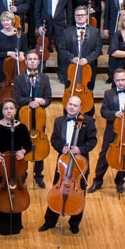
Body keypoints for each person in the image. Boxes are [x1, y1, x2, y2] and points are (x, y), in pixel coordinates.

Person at [38, 95, 98, 235]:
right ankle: (49, 221)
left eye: (75, 105)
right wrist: (61, 148)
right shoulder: (59, 121)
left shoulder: (89, 122)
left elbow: (92, 141)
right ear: (66, 105)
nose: (71, 107)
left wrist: (80, 149)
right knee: (56, 190)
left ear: (80, 108)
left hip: (80, 164)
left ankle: (74, 223)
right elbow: (54, 139)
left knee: (79, 192)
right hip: (63, 164)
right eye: (70, 104)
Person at [87, 69, 125, 194]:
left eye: (123, 80)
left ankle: (119, 180)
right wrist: (114, 114)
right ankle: (97, 181)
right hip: (112, 130)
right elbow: (103, 112)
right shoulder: (109, 94)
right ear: (114, 80)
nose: (120, 83)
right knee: (104, 156)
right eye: (118, 80)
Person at [0, 98, 31, 235]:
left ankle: (15, 225)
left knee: (16, 194)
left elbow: (28, 146)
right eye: (6, 109)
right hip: (0, 166)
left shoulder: (21, 127)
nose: (9, 111)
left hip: (16, 167)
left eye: (11, 108)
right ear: (2, 111)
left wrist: (22, 152)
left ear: (16, 110)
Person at [12, 50, 51, 188]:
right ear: (26, 62)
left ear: (38, 62)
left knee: (39, 145)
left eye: (35, 59)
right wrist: (31, 101)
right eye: (30, 59)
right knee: (22, 146)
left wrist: (42, 102)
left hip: (39, 119)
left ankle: (38, 176)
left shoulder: (45, 78)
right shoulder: (19, 78)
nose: (32, 61)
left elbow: (49, 98)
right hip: (24, 118)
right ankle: (22, 175)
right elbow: (16, 98)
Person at [57, 6, 102, 116]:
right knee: (69, 92)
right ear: (74, 16)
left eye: (82, 15)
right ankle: (68, 117)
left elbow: (98, 49)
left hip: (88, 69)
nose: (80, 17)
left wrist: (87, 59)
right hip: (71, 68)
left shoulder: (95, 32)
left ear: (86, 17)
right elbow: (61, 49)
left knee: (88, 92)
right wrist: (72, 58)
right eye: (77, 15)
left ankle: (88, 118)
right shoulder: (67, 32)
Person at [34, 0, 73, 85]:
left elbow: (69, 12)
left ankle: (62, 74)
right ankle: (40, 74)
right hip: (45, 26)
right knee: (42, 51)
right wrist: (39, 26)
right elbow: (36, 10)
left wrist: (69, 28)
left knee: (62, 51)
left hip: (60, 27)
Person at [0, 12, 27, 121]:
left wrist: (22, 54)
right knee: (1, 96)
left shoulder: (20, 35)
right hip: (2, 71)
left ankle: (17, 119)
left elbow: (25, 49)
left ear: (12, 21)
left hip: (16, 70)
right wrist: (9, 53)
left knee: (17, 94)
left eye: (7, 20)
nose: (5, 23)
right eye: (3, 20)